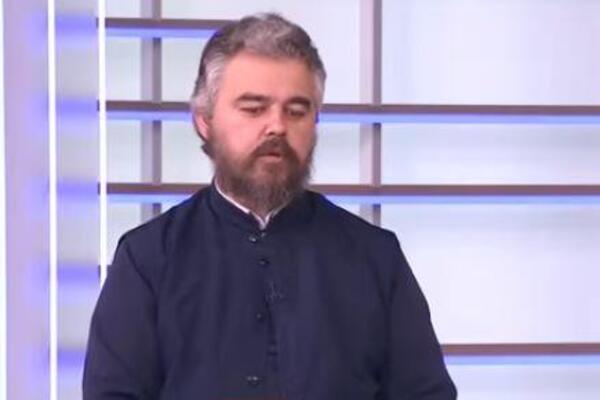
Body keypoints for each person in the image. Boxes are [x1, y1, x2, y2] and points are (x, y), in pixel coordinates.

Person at [83, 13, 457, 400]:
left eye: (296, 111)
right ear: (205, 122)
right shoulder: (148, 258)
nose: (277, 126)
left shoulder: (375, 256)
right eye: (253, 108)